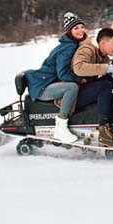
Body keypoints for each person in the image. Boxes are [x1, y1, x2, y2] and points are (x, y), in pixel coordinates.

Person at [25, 12, 86, 143]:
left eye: (82, 26)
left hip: (46, 83)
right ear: (69, 31)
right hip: (42, 87)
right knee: (72, 87)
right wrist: (80, 80)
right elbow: (63, 74)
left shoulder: (72, 44)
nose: (80, 30)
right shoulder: (68, 47)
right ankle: (61, 127)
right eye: (76, 28)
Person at [72, 27, 113, 147]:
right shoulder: (87, 49)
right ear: (103, 43)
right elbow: (79, 67)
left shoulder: (102, 54)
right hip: (74, 94)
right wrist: (107, 68)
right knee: (105, 86)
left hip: (86, 87)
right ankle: (104, 131)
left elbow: (104, 69)